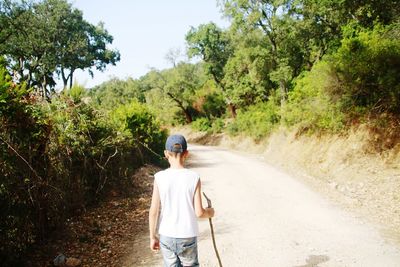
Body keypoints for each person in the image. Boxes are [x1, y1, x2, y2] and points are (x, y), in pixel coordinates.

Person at [149, 134, 215, 267]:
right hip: (187, 235)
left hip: (166, 235)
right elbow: (200, 213)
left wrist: (152, 236)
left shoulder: (159, 177)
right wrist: (210, 212)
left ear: (166, 153)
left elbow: (154, 211)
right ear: (186, 153)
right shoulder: (194, 177)